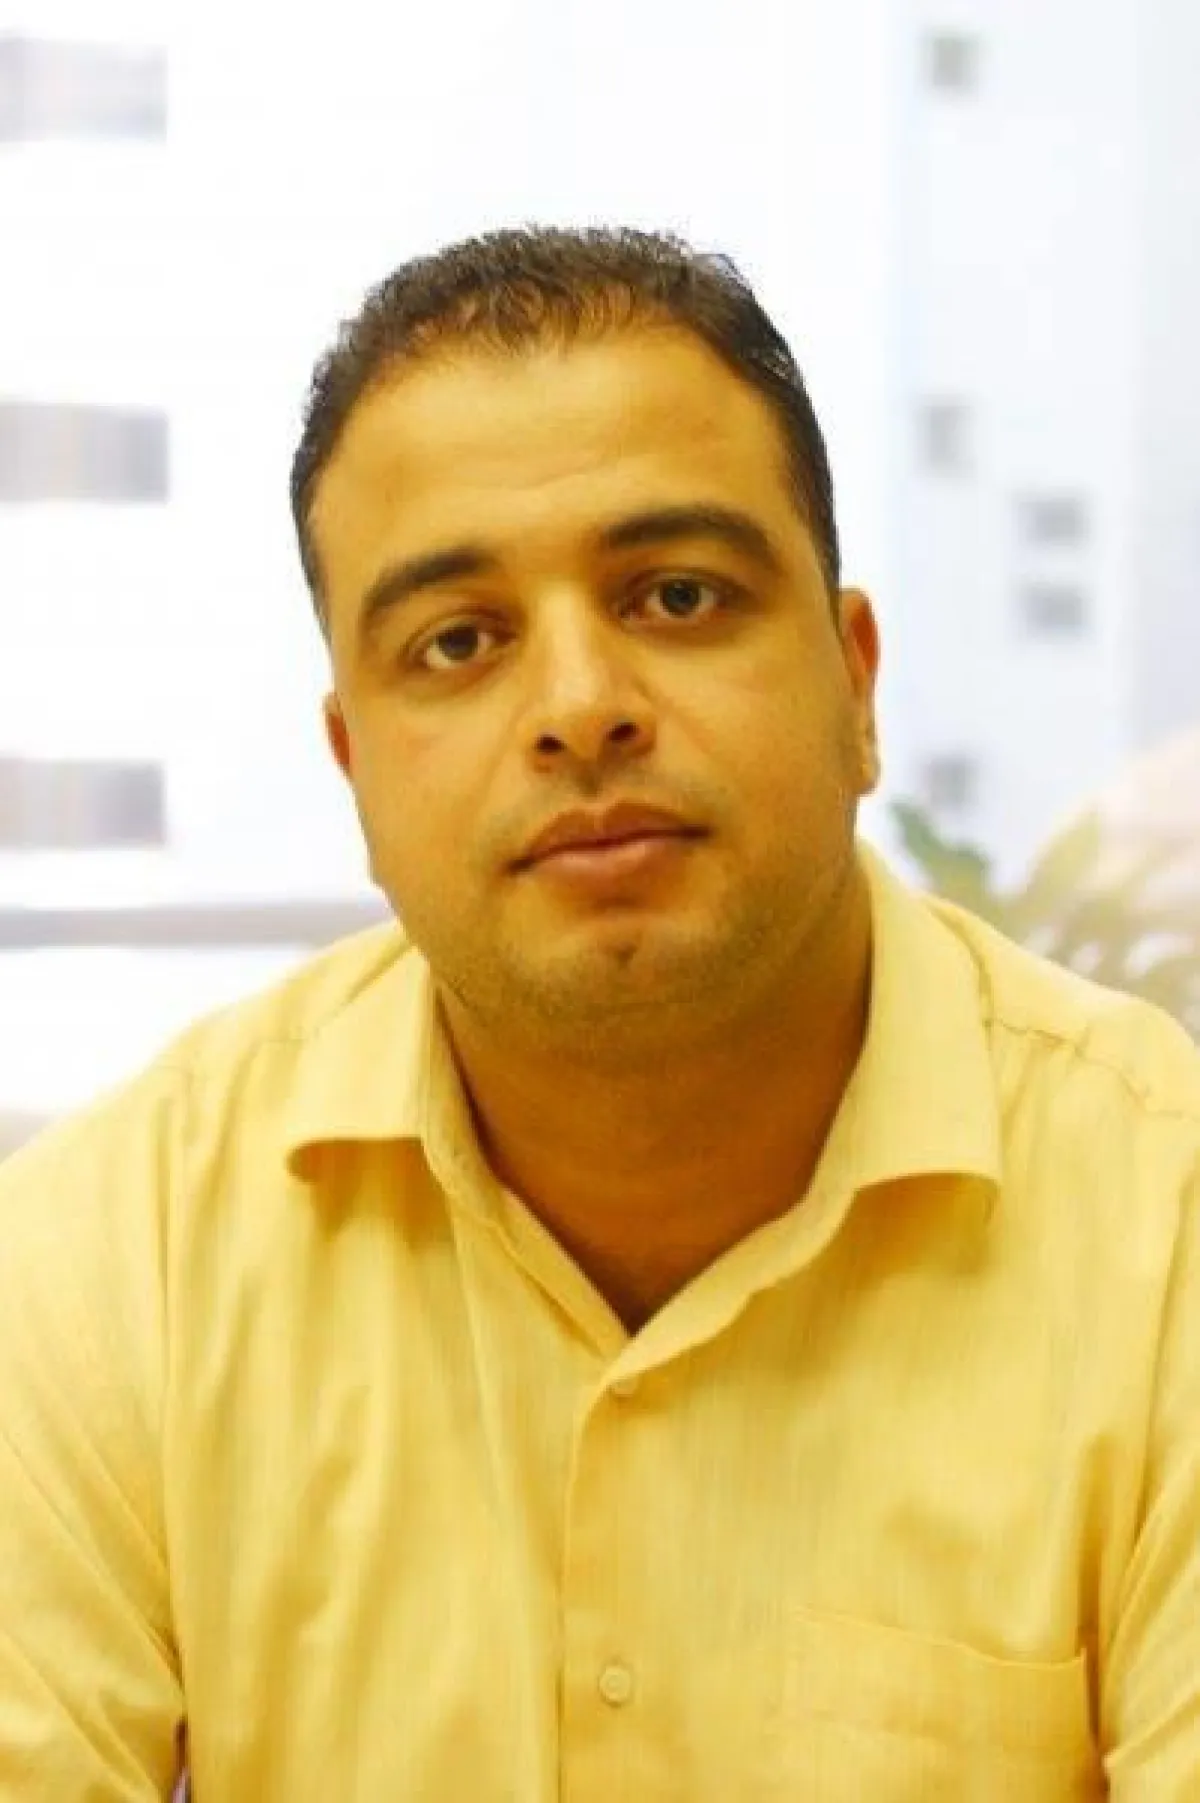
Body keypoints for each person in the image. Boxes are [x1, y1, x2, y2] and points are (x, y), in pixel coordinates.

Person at [1, 225, 1197, 1802]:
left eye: (678, 595)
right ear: (357, 768)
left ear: (856, 687)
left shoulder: (1164, 1221)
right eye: (458, 641)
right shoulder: (119, 1252)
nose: (579, 707)